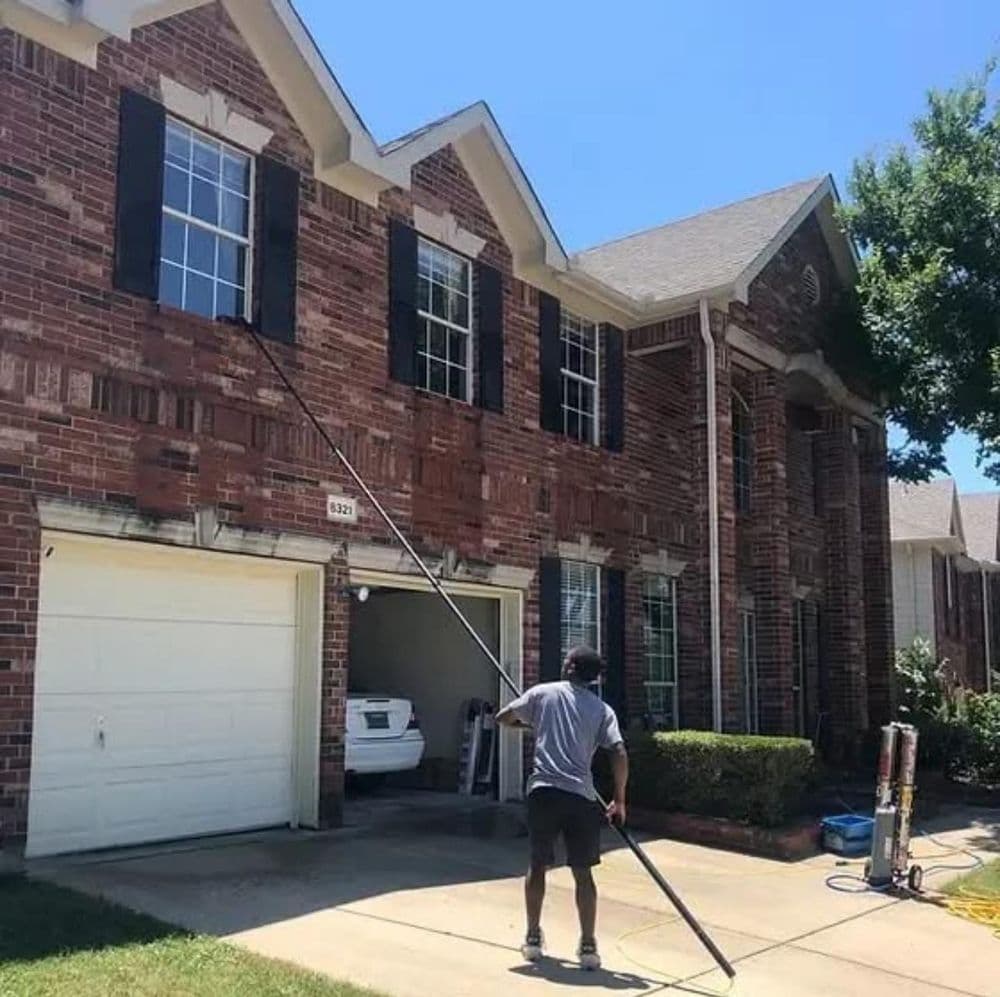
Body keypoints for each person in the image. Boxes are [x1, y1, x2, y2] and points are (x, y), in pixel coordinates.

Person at [496, 645, 629, 971]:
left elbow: (502, 718)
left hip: (544, 792)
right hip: (582, 798)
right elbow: (619, 751)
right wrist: (620, 799)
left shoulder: (542, 694)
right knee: (582, 872)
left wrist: (533, 725)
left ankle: (532, 937)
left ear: (570, 667)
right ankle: (587, 944)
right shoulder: (601, 710)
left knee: (538, 865)